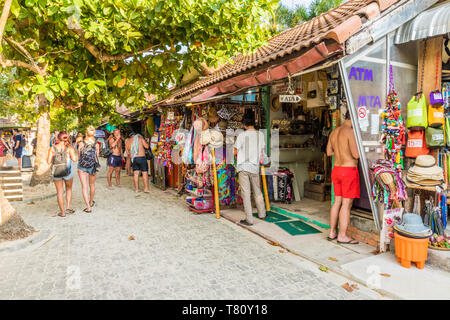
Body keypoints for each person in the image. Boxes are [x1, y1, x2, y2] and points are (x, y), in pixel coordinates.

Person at [326, 111, 360, 245]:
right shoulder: (350, 132)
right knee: (346, 204)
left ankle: (332, 232)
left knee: (337, 202)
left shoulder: (334, 132)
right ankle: (342, 235)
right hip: (348, 170)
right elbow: (356, 154)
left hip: (336, 170)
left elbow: (329, 152)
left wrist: (340, 151)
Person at [233, 116, 267, 226]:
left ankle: (249, 219)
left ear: (244, 125)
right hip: (255, 166)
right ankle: (262, 214)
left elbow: (234, 151)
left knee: (246, 193)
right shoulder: (260, 135)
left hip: (243, 167)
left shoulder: (242, 135)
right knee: (257, 191)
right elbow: (262, 150)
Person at [47, 131, 78, 217]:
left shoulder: (52, 148)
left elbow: (48, 161)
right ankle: (68, 207)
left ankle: (62, 212)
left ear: (58, 138)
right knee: (69, 189)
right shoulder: (69, 148)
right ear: (67, 138)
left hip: (56, 172)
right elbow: (75, 159)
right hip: (67, 172)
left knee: (59, 192)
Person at [77, 126, 100, 213]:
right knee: (92, 185)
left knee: (84, 186)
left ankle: (88, 207)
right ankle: (91, 201)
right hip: (92, 166)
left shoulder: (81, 143)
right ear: (94, 133)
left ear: (86, 133)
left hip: (82, 166)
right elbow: (96, 156)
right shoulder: (96, 144)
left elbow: (79, 155)